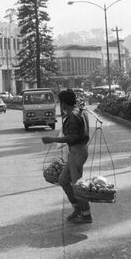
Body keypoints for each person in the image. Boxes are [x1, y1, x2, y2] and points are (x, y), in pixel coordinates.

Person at [42, 89, 92, 224]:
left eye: (60, 102)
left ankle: (86, 214)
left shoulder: (73, 116)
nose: (60, 105)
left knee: (78, 186)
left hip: (78, 152)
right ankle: (77, 208)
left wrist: (52, 139)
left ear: (64, 103)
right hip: (75, 152)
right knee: (63, 180)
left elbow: (72, 137)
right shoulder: (78, 111)